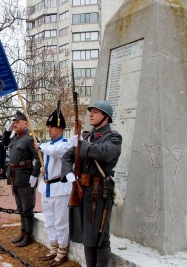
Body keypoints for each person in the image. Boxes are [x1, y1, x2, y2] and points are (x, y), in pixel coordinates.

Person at [61, 101, 122, 267]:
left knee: (101, 237)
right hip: (83, 191)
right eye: (91, 112)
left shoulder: (113, 137)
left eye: (96, 112)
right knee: (88, 236)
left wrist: (80, 144)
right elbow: (67, 157)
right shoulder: (87, 136)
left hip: (100, 192)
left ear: (106, 116)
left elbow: (104, 153)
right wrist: (68, 174)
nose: (91, 114)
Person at [33, 109, 73, 266]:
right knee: (49, 220)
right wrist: (44, 170)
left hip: (60, 187)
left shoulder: (66, 144)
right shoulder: (47, 144)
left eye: (52, 127)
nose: (49, 129)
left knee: (60, 221)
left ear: (60, 129)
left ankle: (62, 251)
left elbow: (55, 152)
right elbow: (48, 154)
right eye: (48, 126)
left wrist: (40, 146)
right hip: (47, 186)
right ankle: (53, 247)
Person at [2, 110, 41, 247]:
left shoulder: (30, 139)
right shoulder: (15, 137)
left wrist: (35, 175)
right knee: (20, 207)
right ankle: (23, 232)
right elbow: (4, 142)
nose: (15, 124)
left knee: (27, 208)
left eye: (17, 122)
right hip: (15, 176)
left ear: (25, 124)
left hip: (26, 176)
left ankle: (29, 235)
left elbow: (39, 158)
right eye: (14, 122)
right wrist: (7, 130)